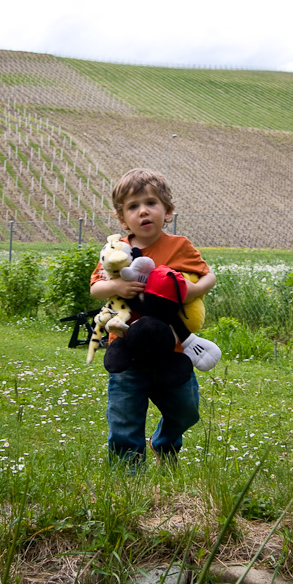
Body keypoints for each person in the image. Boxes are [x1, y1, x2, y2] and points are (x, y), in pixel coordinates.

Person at [90, 168, 216, 467]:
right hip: (127, 348)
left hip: (172, 349)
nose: (143, 211)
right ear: (123, 219)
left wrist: (192, 290)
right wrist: (117, 286)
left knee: (186, 410)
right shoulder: (116, 250)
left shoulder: (179, 246)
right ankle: (127, 473)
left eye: (151, 203)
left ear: (167, 211)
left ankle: (164, 442)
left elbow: (208, 276)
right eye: (133, 207)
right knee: (124, 415)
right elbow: (96, 288)